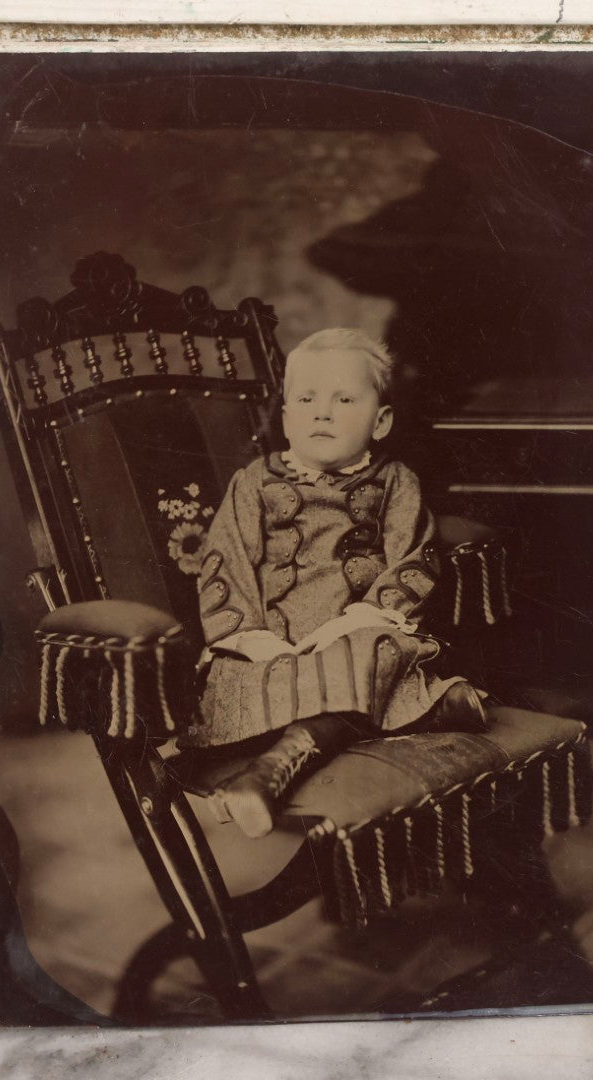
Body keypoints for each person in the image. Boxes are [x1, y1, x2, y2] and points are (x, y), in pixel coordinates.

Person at [186, 328, 489, 838]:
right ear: (285, 417)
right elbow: (226, 565)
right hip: (271, 646)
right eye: (305, 400)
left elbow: (412, 559)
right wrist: (256, 639)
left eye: (344, 399)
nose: (321, 413)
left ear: (381, 420)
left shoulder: (397, 483)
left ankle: (272, 769)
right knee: (241, 676)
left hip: (354, 635)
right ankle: (433, 706)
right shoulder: (252, 483)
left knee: (376, 650)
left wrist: (357, 622)